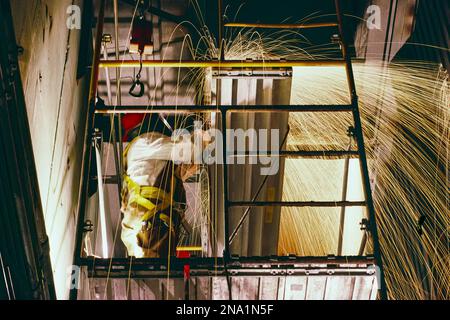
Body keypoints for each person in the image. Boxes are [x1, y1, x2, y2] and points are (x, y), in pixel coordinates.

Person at [120, 114, 205, 258]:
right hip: (147, 225)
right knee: (155, 267)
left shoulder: (143, 154)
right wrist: (207, 135)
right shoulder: (145, 142)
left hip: (144, 227)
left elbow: (175, 171)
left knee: (155, 267)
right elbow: (189, 149)